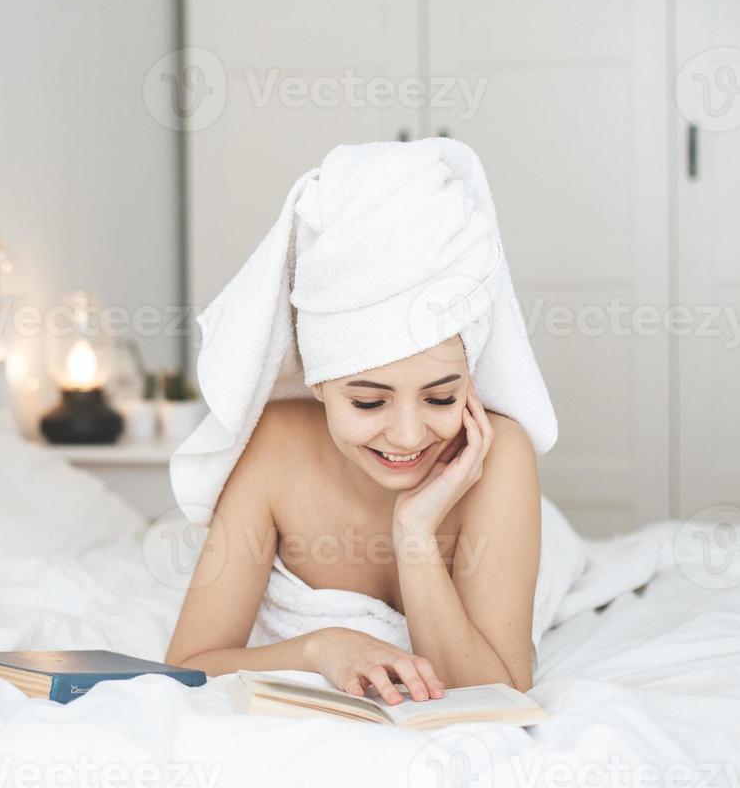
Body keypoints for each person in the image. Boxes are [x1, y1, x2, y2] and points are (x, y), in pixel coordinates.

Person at [164, 138, 558, 706]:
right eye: (369, 403)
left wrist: (415, 538)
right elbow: (188, 663)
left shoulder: (501, 455)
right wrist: (321, 647)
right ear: (320, 384)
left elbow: (499, 694)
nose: (406, 435)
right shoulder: (274, 449)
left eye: (441, 399)